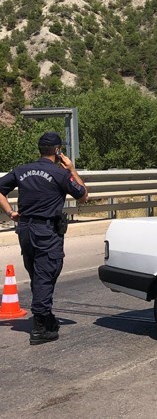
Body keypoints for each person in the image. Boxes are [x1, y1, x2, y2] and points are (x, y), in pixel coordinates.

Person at [0, 132, 88, 344]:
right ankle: (40, 327)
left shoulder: (22, 170)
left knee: (38, 274)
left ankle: (46, 317)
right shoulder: (60, 174)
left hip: (25, 230)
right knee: (46, 274)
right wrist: (71, 169)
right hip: (46, 232)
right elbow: (83, 195)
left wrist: (10, 213)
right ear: (58, 151)